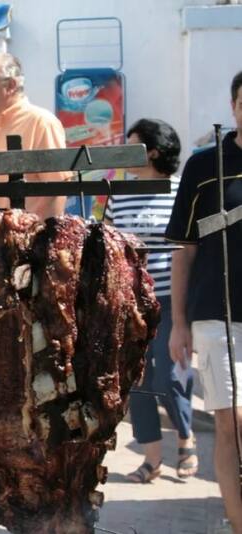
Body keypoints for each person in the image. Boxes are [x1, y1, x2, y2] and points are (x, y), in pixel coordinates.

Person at [166, 70, 242, 534]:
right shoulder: (203, 166)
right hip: (218, 317)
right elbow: (184, 251)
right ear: (234, 106)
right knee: (232, 422)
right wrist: (178, 323)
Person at [105, 119, 197, 483]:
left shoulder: (179, 190)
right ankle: (152, 458)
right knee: (137, 378)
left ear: (153, 151)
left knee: (170, 375)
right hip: (134, 301)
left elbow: (188, 247)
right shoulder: (120, 193)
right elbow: (112, 242)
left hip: (172, 298)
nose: (125, 153)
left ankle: (187, 437)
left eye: (133, 146)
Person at [0, 51, 72, 219]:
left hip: (27, 241)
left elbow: (57, 190)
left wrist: (36, 239)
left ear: (10, 85)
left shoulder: (41, 122)